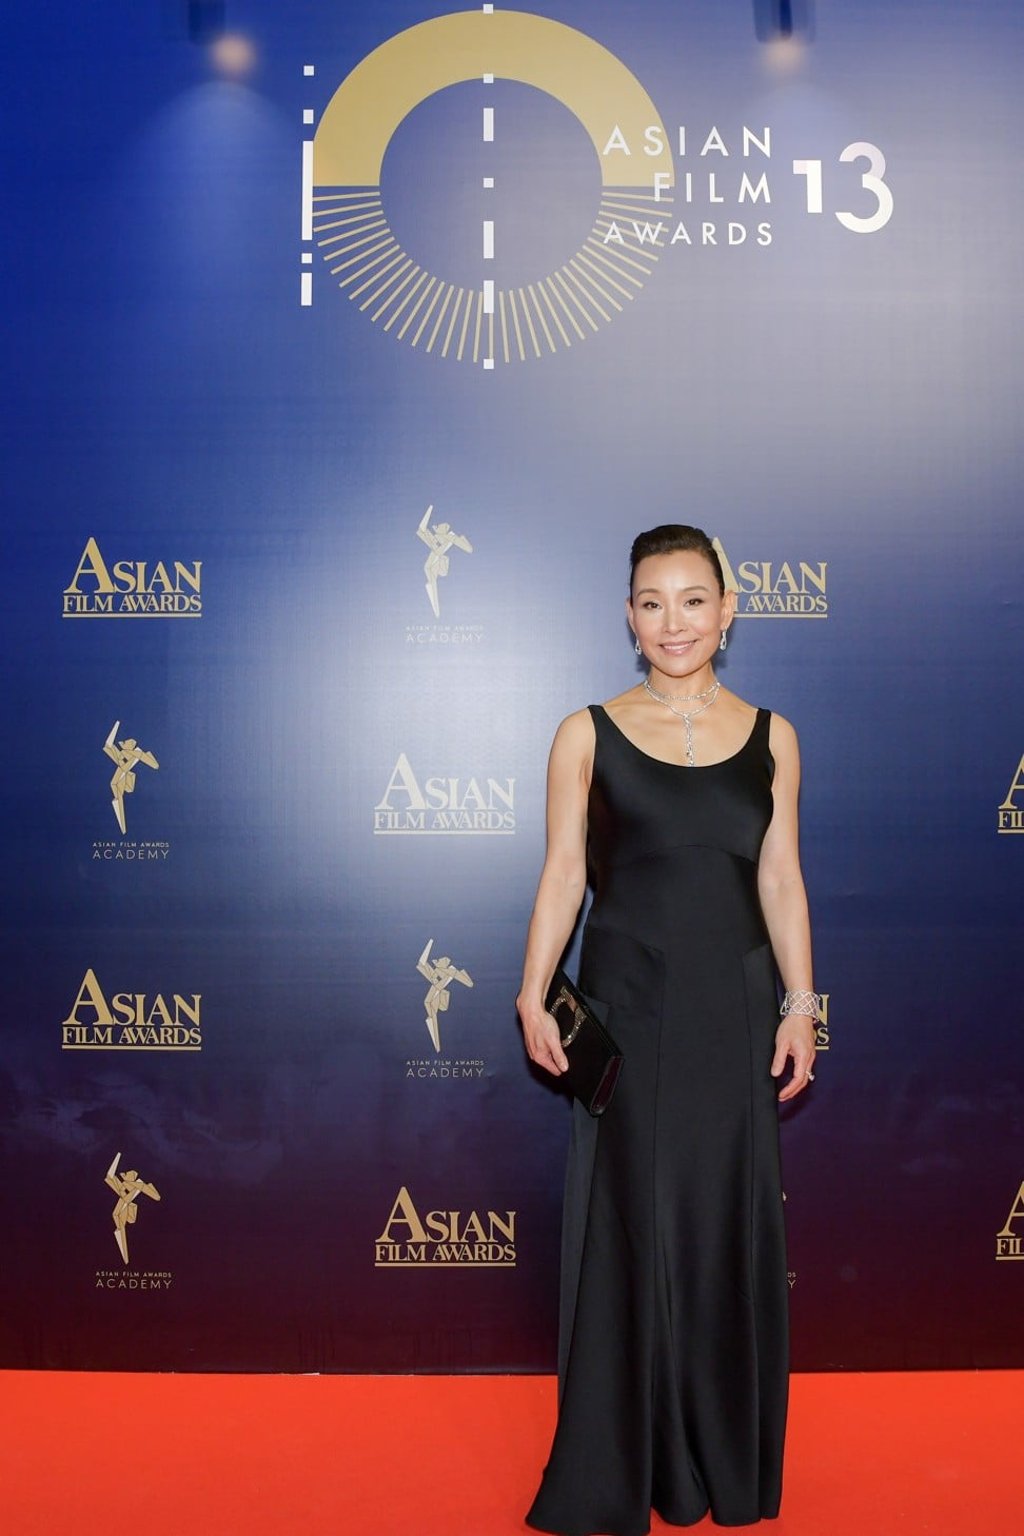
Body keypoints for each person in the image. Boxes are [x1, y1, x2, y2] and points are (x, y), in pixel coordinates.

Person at [517, 525, 818, 1534]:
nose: (673, 621)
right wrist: (532, 989)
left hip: (732, 1010)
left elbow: (778, 877)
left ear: (729, 610)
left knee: (722, 1224)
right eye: (652, 601)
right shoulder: (584, 732)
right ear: (628, 615)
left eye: (694, 600)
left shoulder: (772, 736)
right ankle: (623, 1465)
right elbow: (565, 872)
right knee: (634, 1226)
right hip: (629, 1010)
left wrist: (802, 1004)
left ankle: (718, 1460)